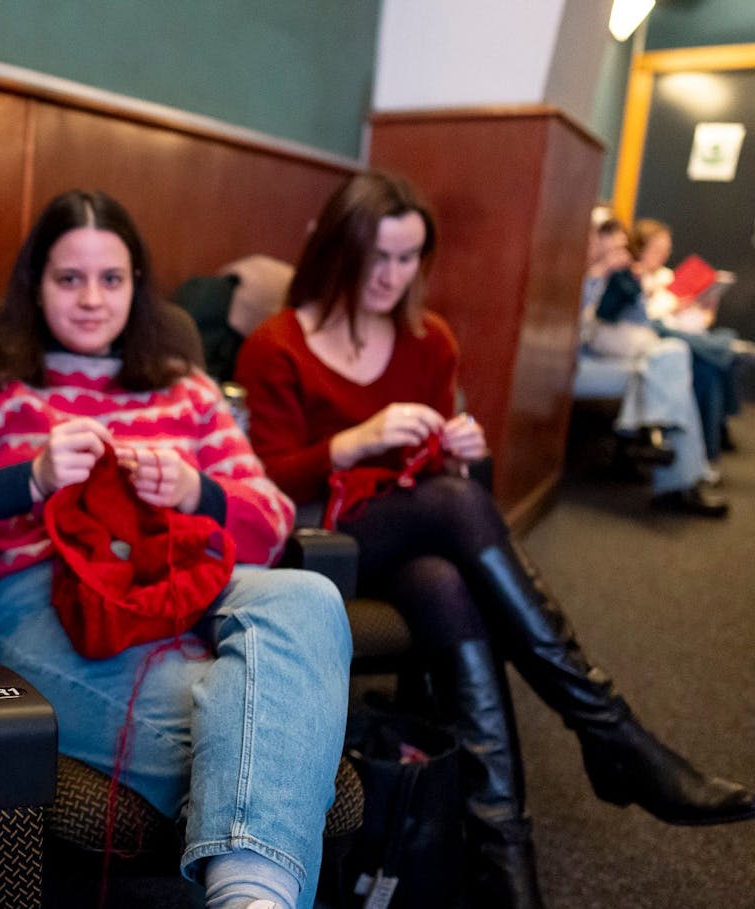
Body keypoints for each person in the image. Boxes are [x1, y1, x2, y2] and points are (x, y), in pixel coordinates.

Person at [235, 171, 755, 909]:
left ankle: (506, 861)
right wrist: (352, 442)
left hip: (413, 537)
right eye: (377, 256)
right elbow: (263, 489)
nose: (392, 276)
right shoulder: (277, 344)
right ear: (341, 250)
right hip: (320, 542)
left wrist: (462, 451)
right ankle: (611, 733)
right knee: (449, 505)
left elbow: (460, 488)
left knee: (449, 580)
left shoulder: (429, 338)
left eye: (409, 257)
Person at [0, 189, 352, 909]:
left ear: (137, 287)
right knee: (259, 713)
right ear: (35, 285)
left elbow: (269, 521)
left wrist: (196, 493)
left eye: (111, 279)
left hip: (187, 589)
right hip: (48, 604)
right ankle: (255, 895)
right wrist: (31, 478)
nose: (90, 299)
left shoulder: (187, 388)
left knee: (309, 592)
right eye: (68, 278)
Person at [579, 217, 726, 512]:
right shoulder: (579, 272)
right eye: (606, 243)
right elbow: (584, 327)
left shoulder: (609, 275)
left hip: (606, 359)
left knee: (671, 358)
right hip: (576, 366)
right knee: (670, 366)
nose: (616, 252)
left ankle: (658, 432)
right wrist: (599, 274)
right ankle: (678, 479)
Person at [627, 217, 752, 462]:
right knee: (714, 362)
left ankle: (708, 453)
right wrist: (674, 307)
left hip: (687, 338)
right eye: (657, 249)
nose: (663, 255)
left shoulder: (667, 277)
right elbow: (645, 319)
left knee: (710, 368)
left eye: (666, 250)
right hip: (659, 338)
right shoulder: (632, 278)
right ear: (641, 248)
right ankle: (729, 347)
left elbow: (698, 323)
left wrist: (705, 308)